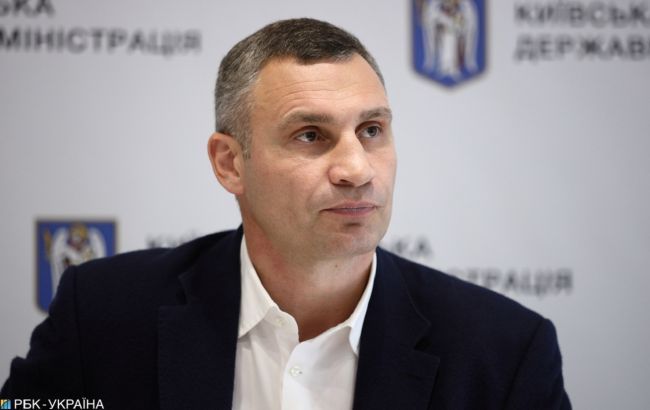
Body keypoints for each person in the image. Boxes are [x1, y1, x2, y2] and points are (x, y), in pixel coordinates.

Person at [1, 18, 571, 409]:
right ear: (230, 163)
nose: (357, 168)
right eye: (310, 135)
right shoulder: (102, 314)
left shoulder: (504, 353)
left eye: (372, 130)